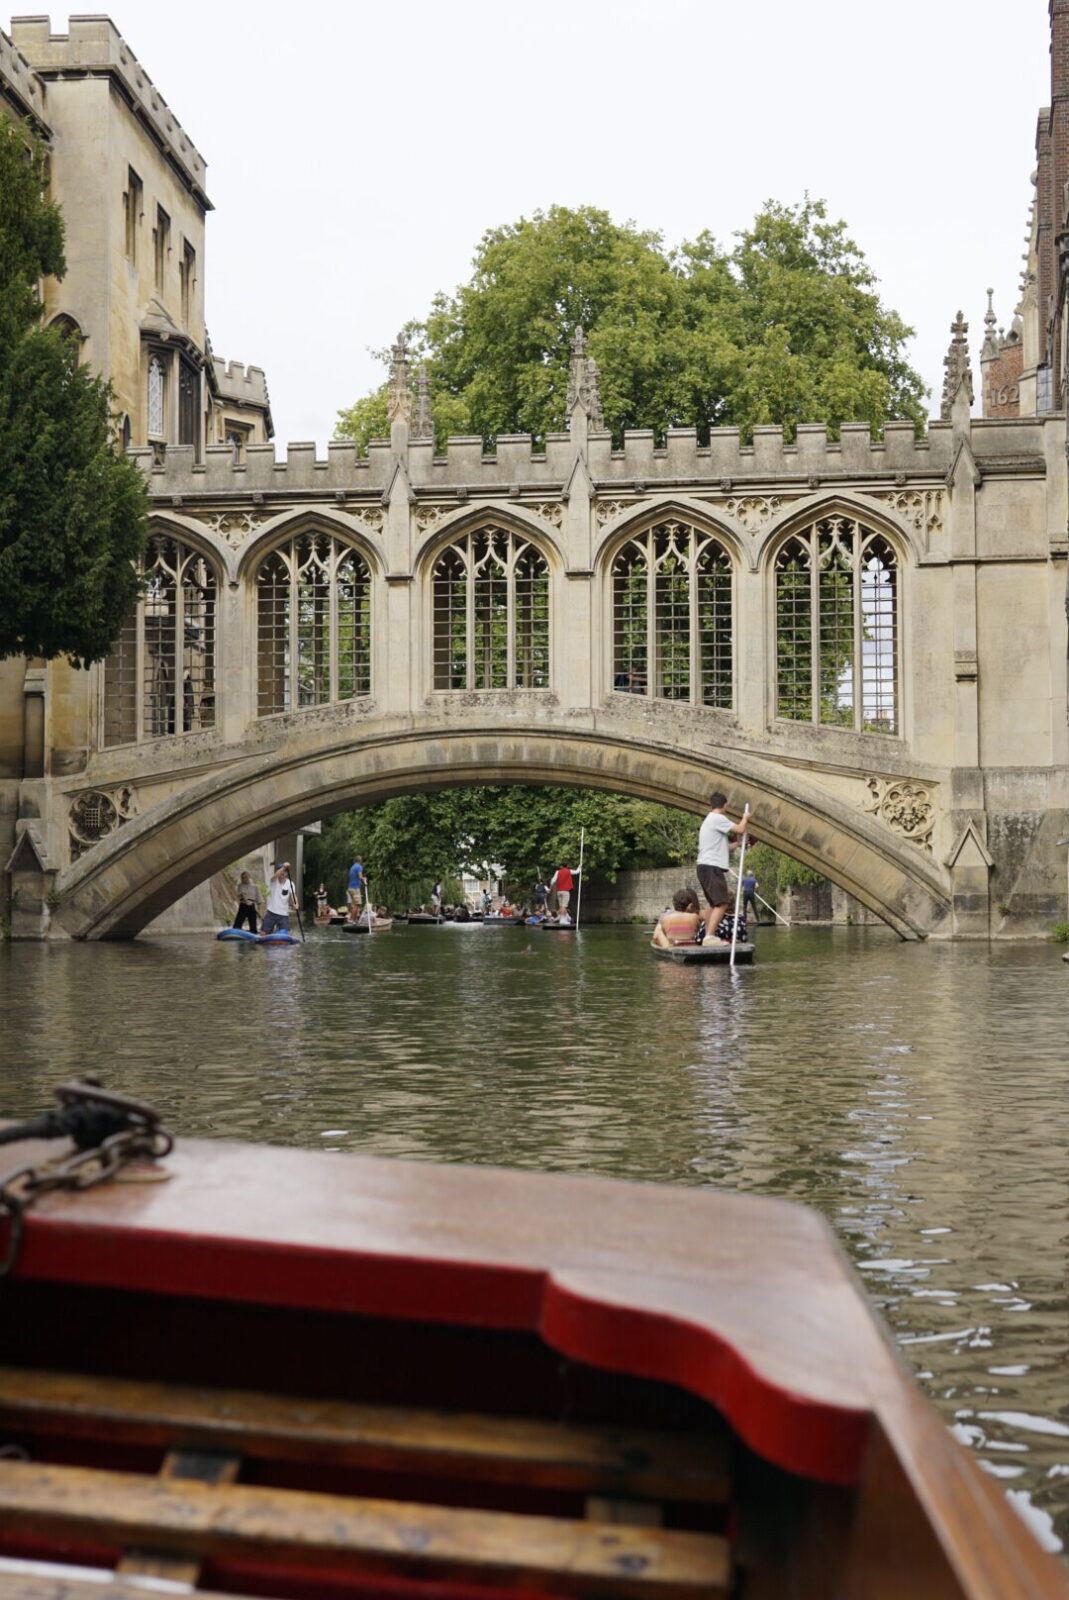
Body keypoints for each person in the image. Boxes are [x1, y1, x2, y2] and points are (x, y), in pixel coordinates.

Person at [697, 793, 752, 942]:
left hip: (704, 866)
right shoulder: (717, 818)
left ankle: (708, 936)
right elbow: (740, 829)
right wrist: (745, 817)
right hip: (711, 866)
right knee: (723, 903)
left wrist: (739, 844)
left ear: (711, 804)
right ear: (725, 806)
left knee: (714, 904)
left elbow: (725, 847)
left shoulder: (709, 821)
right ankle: (709, 936)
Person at [262, 862, 298, 935]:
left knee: (285, 934)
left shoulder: (290, 883)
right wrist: (284, 867)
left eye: (285, 871)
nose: (282, 872)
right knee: (263, 933)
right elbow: (276, 875)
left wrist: (296, 903)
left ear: (287, 873)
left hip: (283, 914)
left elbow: (293, 895)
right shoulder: (274, 880)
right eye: (281, 870)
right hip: (271, 912)